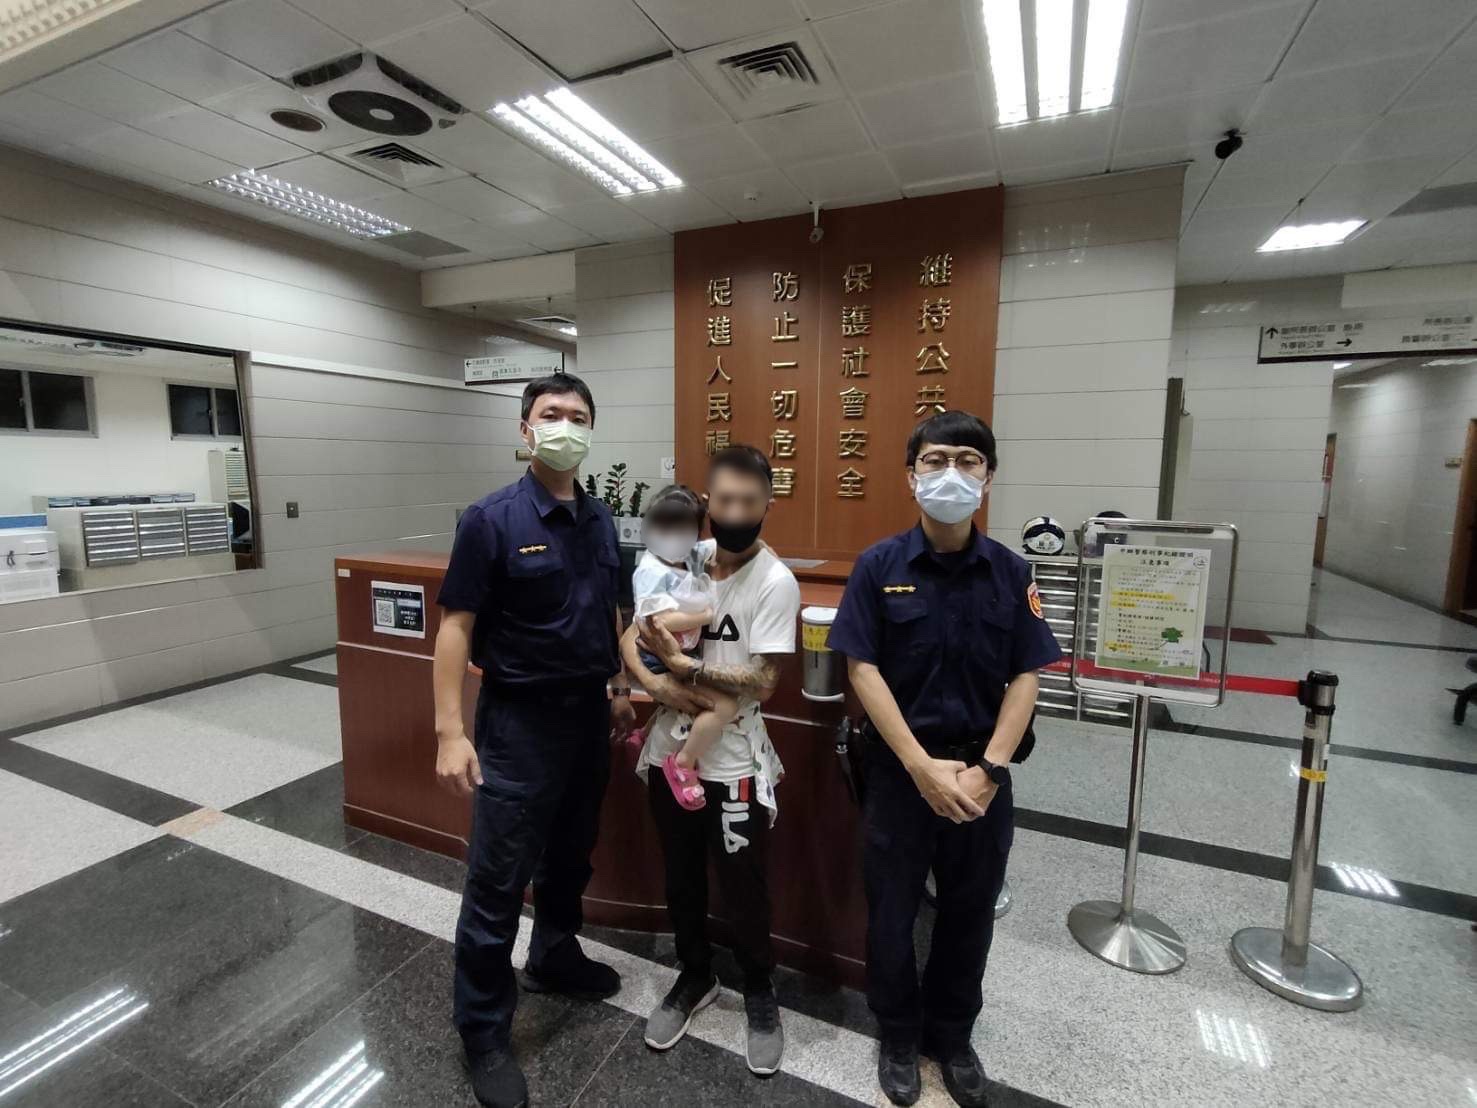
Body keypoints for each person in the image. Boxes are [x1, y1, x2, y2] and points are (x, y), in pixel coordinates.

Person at [827, 410, 1063, 1108]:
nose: (950, 473)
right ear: (911, 476)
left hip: (982, 779)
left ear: (988, 477)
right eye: (934, 460)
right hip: (901, 777)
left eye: (967, 460)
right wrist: (919, 767)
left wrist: (990, 768)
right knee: (890, 913)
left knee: (969, 913)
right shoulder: (878, 567)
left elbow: (1026, 674)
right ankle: (898, 1034)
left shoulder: (1010, 572)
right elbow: (861, 669)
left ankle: (953, 1036)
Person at [432, 372, 637, 1108]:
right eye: (552, 414)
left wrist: (620, 688)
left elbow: (613, 614)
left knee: (570, 854)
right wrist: (450, 731)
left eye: (578, 416)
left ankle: (553, 954)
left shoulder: (601, 520)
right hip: (517, 721)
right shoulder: (490, 520)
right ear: (525, 429)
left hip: (586, 714)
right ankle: (483, 1030)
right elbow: (455, 627)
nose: (565, 426)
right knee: (497, 879)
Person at [620, 445, 801, 1077]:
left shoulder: (774, 581)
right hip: (670, 747)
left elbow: (765, 682)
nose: (736, 512)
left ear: (767, 504)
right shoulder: (684, 558)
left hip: (733, 760)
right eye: (725, 500)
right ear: (707, 502)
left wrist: (683, 666)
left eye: (750, 502)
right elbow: (630, 632)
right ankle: (695, 974)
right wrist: (657, 684)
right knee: (680, 875)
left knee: (744, 883)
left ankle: (759, 990)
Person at [628, 484, 740, 809]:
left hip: (679, 652)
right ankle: (683, 763)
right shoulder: (651, 570)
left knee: (682, 699)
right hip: (660, 657)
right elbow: (657, 621)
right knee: (724, 705)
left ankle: (644, 733)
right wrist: (704, 615)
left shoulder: (686, 557)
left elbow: (726, 544)